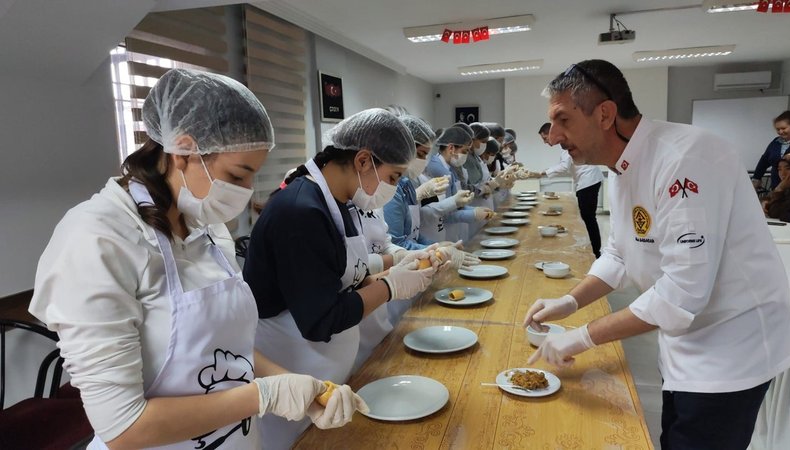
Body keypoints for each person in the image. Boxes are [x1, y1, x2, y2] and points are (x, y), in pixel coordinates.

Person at [28, 69, 365, 450]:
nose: (245, 192)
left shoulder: (205, 225)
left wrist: (298, 386)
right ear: (184, 150)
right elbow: (124, 428)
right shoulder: (98, 239)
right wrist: (264, 396)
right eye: (237, 176)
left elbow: (224, 345)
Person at [524, 60, 790, 450]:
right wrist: (569, 302)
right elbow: (619, 254)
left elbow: (682, 292)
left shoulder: (685, 159)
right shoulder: (620, 165)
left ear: (604, 114)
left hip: (731, 347)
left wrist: (582, 338)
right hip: (686, 340)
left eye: (563, 120)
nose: (554, 136)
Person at [243, 108, 440, 449]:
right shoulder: (300, 211)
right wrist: (390, 288)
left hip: (327, 367)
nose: (394, 188)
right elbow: (320, 319)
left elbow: (343, 278)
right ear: (363, 161)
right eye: (393, 177)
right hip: (295, 373)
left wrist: (394, 272)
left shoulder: (341, 203)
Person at [533, 122, 604, 258]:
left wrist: (543, 173)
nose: (545, 142)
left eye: (545, 138)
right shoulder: (564, 143)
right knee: (588, 217)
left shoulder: (567, 142)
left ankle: (595, 252)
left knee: (589, 218)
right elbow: (565, 164)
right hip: (587, 181)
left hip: (588, 181)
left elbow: (564, 166)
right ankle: (593, 249)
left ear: (552, 133)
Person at [424, 126, 493, 242]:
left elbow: (456, 204)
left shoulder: (450, 168)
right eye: (465, 151)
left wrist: (475, 209)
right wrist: (473, 214)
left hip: (452, 229)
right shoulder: (440, 170)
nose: (466, 155)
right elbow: (445, 213)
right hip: (440, 230)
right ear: (451, 148)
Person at [752, 110, 790, 190]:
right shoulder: (776, 142)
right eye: (778, 129)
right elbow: (764, 161)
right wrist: (756, 178)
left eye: (783, 128)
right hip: (776, 187)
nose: (780, 132)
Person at [762, 156, 790, 223]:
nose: (783, 174)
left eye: (788, 168)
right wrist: (765, 201)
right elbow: (767, 198)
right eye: (779, 169)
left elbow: (775, 212)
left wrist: (779, 189)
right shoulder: (788, 188)